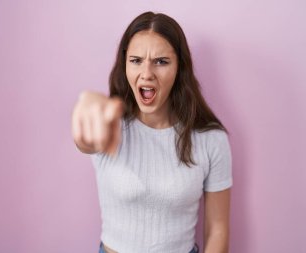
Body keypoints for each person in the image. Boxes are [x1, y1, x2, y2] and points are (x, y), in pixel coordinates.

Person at [72, 11, 232, 253]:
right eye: (136, 60)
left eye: (161, 61)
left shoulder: (211, 139)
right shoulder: (109, 124)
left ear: (180, 67)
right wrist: (86, 108)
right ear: (124, 65)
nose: (146, 73)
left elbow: (217, 229)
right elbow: (85, 140)